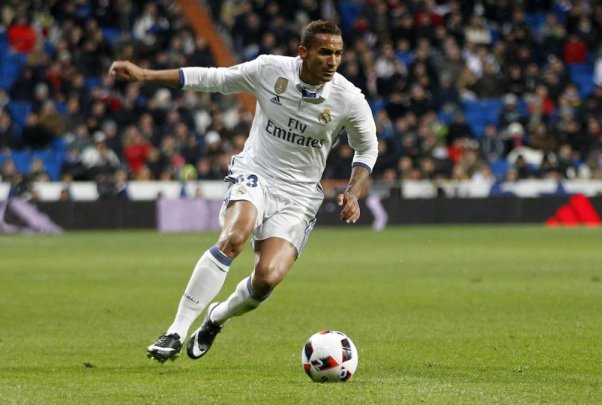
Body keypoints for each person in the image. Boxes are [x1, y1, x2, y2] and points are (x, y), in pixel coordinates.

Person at [109, 20, 378, 363]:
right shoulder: (269, 70)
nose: (333, 60)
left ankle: (216, 317)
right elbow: (214, 78)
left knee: (267, 278)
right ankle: (176, 330)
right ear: (303, 52)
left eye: (338, 53)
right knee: (234, 237)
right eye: (325, 52)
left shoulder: (349, 99)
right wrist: (145, 75)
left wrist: (353, 191)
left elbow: (367, 148)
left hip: (298, 196)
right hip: (256, 172)